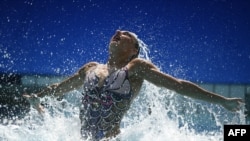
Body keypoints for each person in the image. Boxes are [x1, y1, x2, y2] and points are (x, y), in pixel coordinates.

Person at [24, 30, 244, 141]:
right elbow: (59, 88)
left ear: (134, 49)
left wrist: (223, 102)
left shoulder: (137, 67)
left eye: (125, 35)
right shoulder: (90, 68)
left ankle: (239, 133)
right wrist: (39, 97)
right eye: (117, 33)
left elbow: (178, 85)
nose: (118, 34)